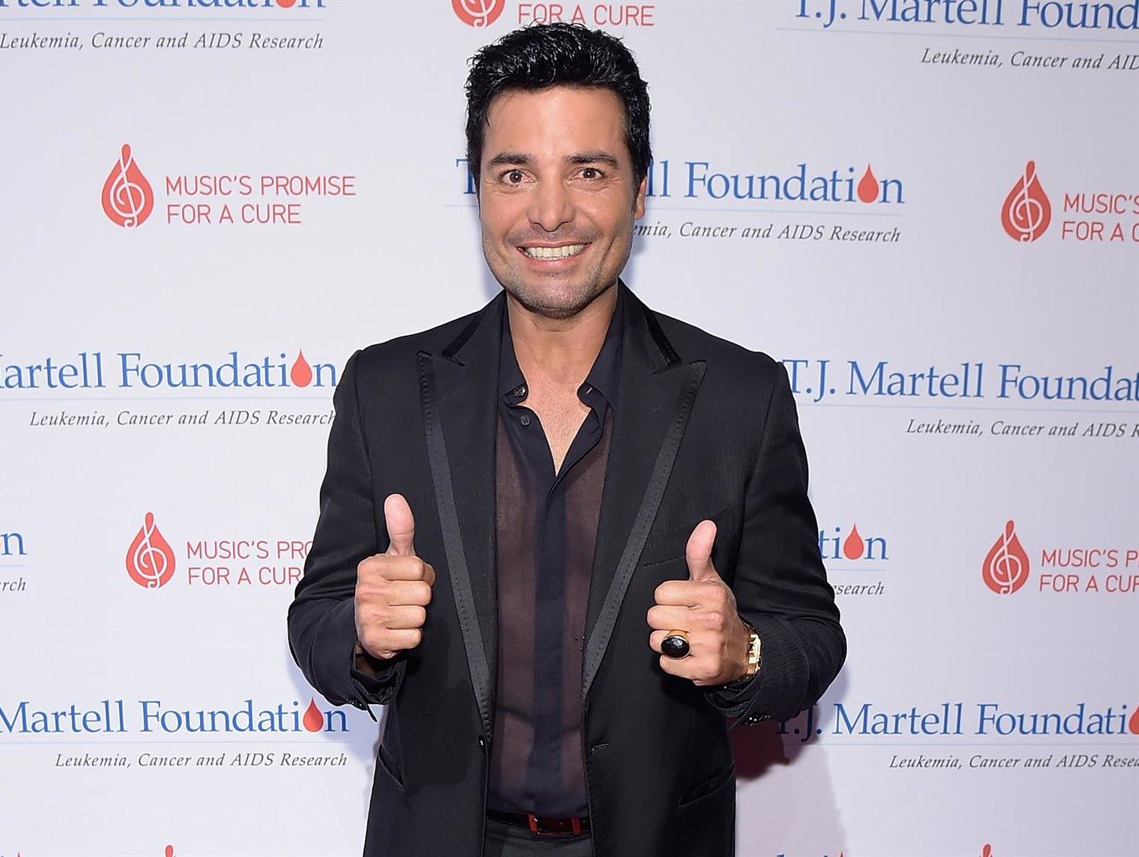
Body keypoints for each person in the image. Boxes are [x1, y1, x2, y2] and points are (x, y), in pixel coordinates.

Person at [288, 22, 844, 857]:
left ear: (640, 191)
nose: (549, 212)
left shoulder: (740, 397)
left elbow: (811, 633)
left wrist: (745, 652)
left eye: (589, 171)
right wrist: (361, 633)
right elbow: (316, 618)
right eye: (515, 173)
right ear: (479, 189)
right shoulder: (386, 389)